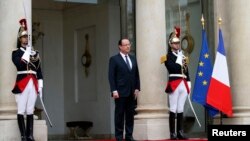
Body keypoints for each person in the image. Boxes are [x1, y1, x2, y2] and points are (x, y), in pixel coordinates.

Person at [12, 19, 43, 141]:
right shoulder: (16, 53)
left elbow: (39, 70)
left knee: (30, 109)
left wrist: (40, 85)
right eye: (23, 37)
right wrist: (27, 53)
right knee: (21, 110)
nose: (26, 39)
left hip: (33, 83)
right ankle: (23, 136)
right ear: (20, 39)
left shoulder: (35, 53)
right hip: (22, 82)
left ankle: (30, 135)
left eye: (27, 37)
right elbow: (19, 65)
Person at [108, 38, 140, 141]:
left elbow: (136, 75)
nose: (128, 46)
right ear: (120, 47)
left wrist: (137, 88)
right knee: (119, 115)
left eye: (129, 44)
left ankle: (129, 136)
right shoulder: (114, 59)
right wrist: (114, 90)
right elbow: (111, 76)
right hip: (120, 92)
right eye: (125, 45)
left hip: (131, 92)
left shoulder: (133, 58)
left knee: (130, 115)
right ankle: (119, 137)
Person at [163, 27, 191, 140]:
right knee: (173, 108)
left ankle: (180, 132)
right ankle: (172, 133)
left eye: (178, 43)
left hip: (183, 82)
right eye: (175, 43)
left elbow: (186, 71)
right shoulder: (167, 57)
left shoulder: (183, 56)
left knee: (180, 108)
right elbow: (172, 68)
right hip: (174, 82)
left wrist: (189, 83)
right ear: (170, 44)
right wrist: (179, 59)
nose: (177, 45)